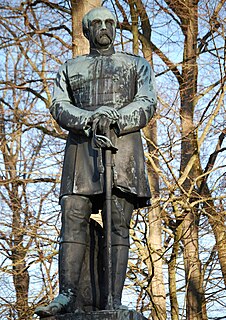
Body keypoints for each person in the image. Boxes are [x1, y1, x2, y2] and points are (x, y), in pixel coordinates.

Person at [35, 6, 157, 317]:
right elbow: (59, 105)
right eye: (97, 23)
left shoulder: (136, 65)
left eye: (109, 22)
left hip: (123, 149)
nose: (104, 27)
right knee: (73, 215)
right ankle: (67, 294)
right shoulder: (71, 68)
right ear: (87, 31)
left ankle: (113, 300)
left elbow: (146, 102)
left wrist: (115, 119)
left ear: (116, 28)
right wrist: (90, 119)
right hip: (81, 151)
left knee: (118, 225)